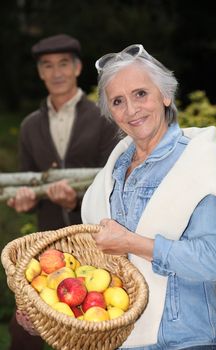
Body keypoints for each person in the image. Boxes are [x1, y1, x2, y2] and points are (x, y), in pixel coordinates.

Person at [80, 44, 216, 349]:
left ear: (165, 95)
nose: (131, 110)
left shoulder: (198, 160)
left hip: (184, 340)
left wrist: (133, 243)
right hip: (119, 338)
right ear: (110, 111)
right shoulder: (110, 174)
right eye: (118, 101)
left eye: (140, 94)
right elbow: (100, 261)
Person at [7, 34, 118, 350]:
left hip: (95, 244)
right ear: (40, 72)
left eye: (63, 64)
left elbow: (114, 183)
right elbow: (30, 186)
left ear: (78, 68)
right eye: (47, 65)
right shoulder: (30, 126)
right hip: (48, 244)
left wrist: (77, 199)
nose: (56, 72)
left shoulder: (104, 117)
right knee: (25, 329)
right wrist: (25, 201)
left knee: (90, 328)